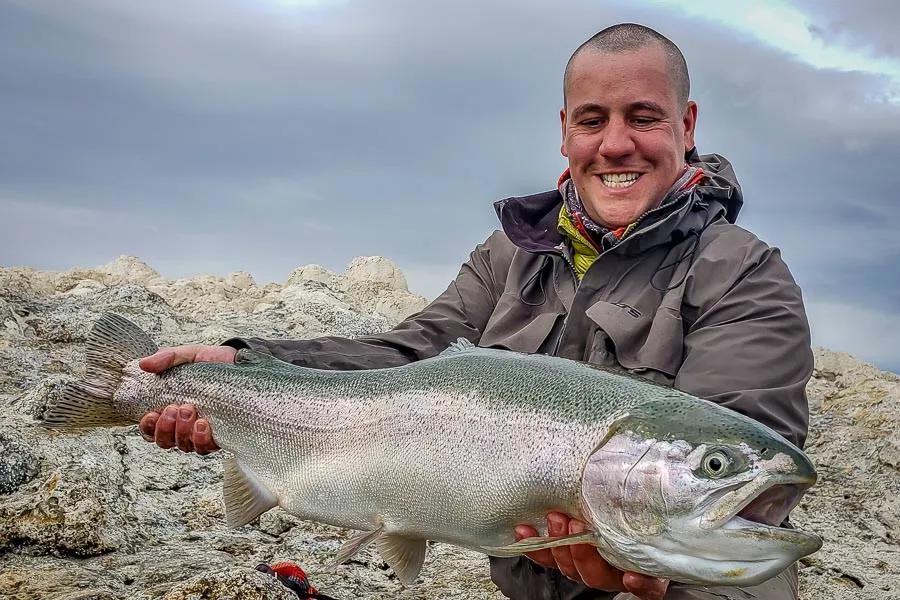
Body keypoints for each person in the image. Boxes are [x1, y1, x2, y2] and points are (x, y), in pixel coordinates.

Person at [137, 23, 813, 600]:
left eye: (642, 117)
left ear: (686, 124)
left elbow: (738, 444)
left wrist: (655, 573)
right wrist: (247, 363)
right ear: (564, 133)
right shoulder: (508, 256)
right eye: (592, 120)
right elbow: (407, 357)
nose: (615, 145)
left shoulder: (744, 272)